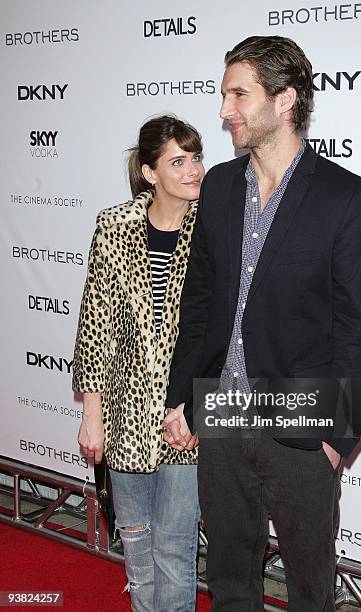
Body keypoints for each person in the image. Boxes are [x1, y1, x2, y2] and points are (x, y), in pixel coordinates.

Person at [163, 36, 361, 611]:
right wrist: (181, 395)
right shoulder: (214, 189)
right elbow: (199, 301)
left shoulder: (347, 198)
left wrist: (339, 438)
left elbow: (360, 329)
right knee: (231, 581)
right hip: (221, 414)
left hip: (303, 425)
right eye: (223, 95)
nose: (223, 110)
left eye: (239, 94)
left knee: (310, 588)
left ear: (284, 100)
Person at [72, 115, 205, 612]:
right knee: (137, 547)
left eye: (196, 157)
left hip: (182, 421)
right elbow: (95, 327)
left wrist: (196, 406)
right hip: (124, 418)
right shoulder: (114, 226)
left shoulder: (212, 226)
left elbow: (221, 331)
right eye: (178, 160)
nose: (193, 169)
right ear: (149, 172)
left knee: (175, 552)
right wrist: (92, 416)